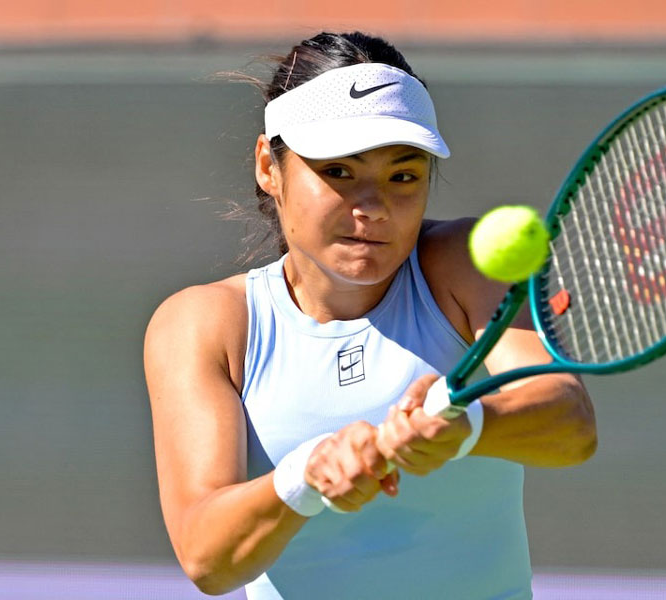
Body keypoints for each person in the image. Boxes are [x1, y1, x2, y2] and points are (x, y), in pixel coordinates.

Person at [144, 31, 597, 599]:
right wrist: (305, 476)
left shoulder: (464, 264)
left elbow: (569, 424)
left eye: (402, 176)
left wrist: (467, 427)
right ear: (268, 165)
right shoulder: (205, 324)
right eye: (338, 172)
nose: (373, 207)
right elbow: (207, 557)